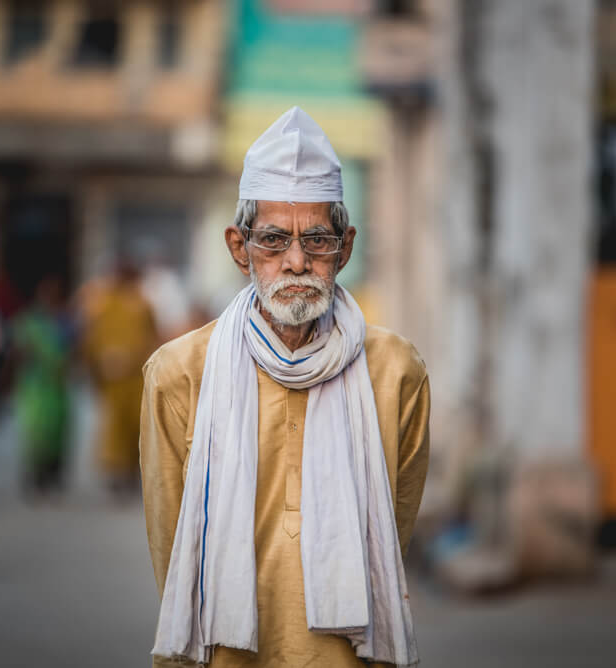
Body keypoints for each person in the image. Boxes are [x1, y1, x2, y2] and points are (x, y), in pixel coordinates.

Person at [140, 107, 430, 667]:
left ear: (344, 249)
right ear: (238, 247)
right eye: (273, 240)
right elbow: (173, 550)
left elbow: (391, 537)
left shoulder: (396, 371)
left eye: (316, 240)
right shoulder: (178, 373)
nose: (296, 261)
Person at [79, 259, 157, 495]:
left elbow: (152, 337)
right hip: (111, 378)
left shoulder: (143, 304)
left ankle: (132, 471)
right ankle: (115, 472)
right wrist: (97, 364)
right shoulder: (102, 304)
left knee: (136, 425)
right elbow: (92, 337)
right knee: (113, 426)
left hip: (136, 376)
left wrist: (136, 359)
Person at [13, 274, 73, 495]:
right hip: (35, 385)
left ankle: (53, 475)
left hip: (56, 386)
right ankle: (36, 476)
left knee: (58, 430)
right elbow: (19, 351)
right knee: (36, 431)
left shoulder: (65, 320)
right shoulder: (29, 322)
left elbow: (74, 350)